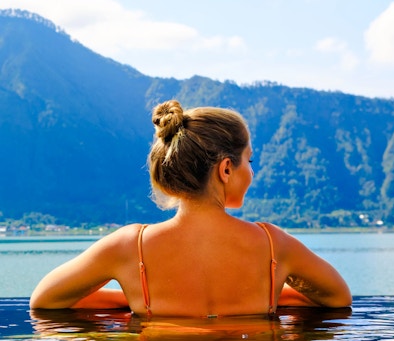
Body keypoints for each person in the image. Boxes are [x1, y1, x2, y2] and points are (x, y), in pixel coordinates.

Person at [30, 100, 352, 316]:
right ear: (226, 169)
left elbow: (44, 301)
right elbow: (338, 298)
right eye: (249, 161)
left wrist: (130, 299)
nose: (252, 172)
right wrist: (272, 296)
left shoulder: (131, 247)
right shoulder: (273, 245)